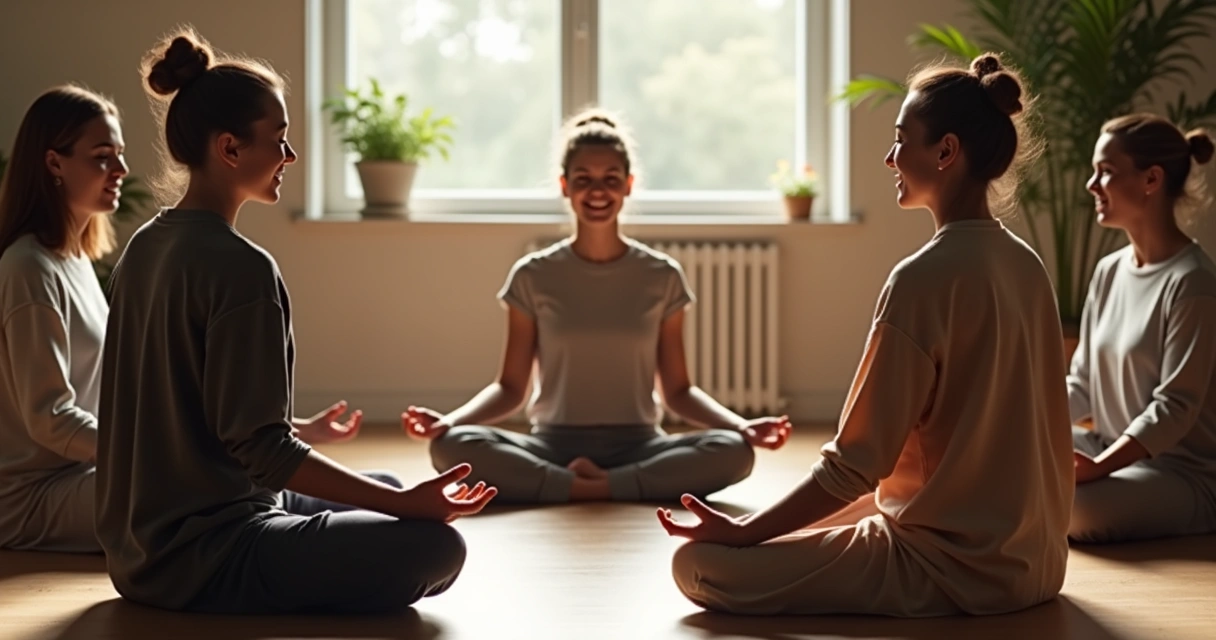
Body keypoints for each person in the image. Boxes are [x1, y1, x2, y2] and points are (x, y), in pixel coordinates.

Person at [657, 53, 1073, 617]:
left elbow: (853, 466)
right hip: (1037, 563)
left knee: (699, 566)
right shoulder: (1027, 265)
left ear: (946, 152)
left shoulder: (922, 279)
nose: (889, 157)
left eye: (902, 140)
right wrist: (757, 526)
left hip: (952, 570)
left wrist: (743, 536)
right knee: (806, 519)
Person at [96, 29, 495, 614]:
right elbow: (263, 450)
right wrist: (408, 509)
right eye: (279, 141)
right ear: (230, 149)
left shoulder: (143, 247)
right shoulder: (243, 269)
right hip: (207, 556)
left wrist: (396, 499)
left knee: (383, 486)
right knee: (436, 547)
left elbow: (195, 418)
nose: (290, 157)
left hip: (136, 553)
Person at [405, 111, 791, 503]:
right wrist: (448, 422)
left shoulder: (662, 276)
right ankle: (606, 486)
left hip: (639, 445)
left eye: (610, 180)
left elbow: (678, 391)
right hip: (552, 446)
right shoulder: (532, 275)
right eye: (583, 180)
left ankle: (574, 487)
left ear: (628, 185)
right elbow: (510, 389)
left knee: (734, 452)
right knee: (450, 447)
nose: (597, 192)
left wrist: (743, 427)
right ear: (564, 186)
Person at [1067, 115, 1216, 543]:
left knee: (1067, 506)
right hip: (1110, 448)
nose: (1092, 185)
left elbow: (1174, 408)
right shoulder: (1108, 271)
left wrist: (1099, 468)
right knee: (1009, 457)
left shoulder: (1193, 282)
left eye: (1106, 172)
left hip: (1179, 475)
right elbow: (1082, 384)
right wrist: (1017, 423)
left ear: (1152, 179)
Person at [0, 85, 124, 552]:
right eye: (102, 157)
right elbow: (50, 418)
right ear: (54, 163)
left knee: (224, 478)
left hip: (85, 473)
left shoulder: (73, 261)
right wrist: (147, 450)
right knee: (200, 488)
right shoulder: (27, 267)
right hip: (32, 497)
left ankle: (350, 512)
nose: (121, 170)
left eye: (119, 155)